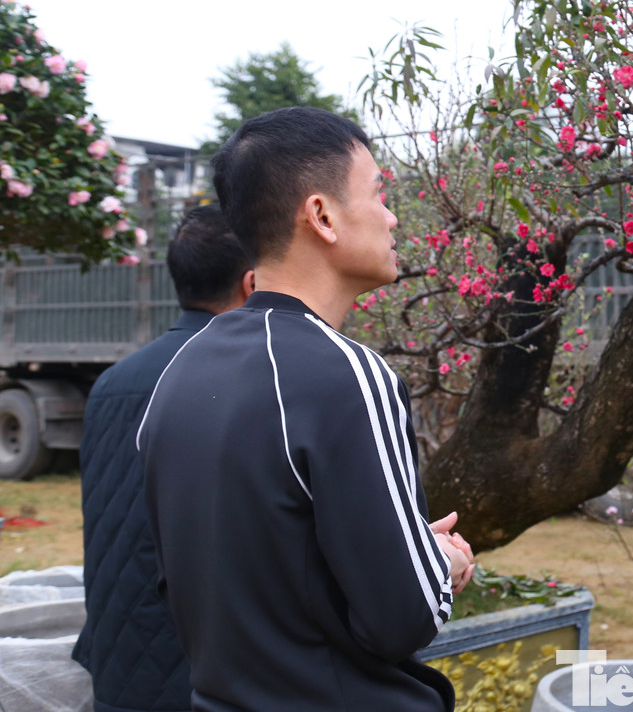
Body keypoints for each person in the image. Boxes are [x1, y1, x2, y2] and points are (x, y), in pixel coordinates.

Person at [136, 107, 473, 712]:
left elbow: (223, 571)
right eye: (379, 193)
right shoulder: (347, 375)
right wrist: (439, 561)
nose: (393, 216)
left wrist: (397, 543)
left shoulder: (178, 373)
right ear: (321, 215)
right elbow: (405, 619)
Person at [74, 205, 254, 712]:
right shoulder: (244, 379)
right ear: (252, 282)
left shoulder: (111, 383)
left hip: (118, 666)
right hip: (205, 680)